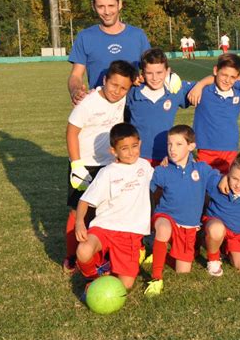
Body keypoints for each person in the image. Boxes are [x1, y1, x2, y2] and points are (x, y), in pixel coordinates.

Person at [63, 60, 137, 274]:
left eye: (124, 88)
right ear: (104, 80)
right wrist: (76, 164)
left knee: (101, 210)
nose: (117, 91)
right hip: (84, 164)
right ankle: (71, 256)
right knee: (78, 211)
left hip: (109, 165)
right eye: (114, 85)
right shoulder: (88, 103)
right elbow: (71, 132)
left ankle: (97, 255)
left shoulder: (122, 100)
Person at [75, 123, 154, 294]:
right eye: (124, 148)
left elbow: (161, 182)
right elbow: (84, 201)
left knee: (124, 286)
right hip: (104, 227)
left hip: (130, 233)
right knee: (83, 251)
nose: (131, 152)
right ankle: (94, 277)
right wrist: (80, 222)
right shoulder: (107, 172)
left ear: (139, 144)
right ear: (114, 151)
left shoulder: (145, 167)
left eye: (134, 146)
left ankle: (108, 265)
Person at [145, 125, 218, 297]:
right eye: (170, 144)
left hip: (189, 226)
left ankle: (160, 251)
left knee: (183, 271)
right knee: (163, 228)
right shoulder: (162, 170)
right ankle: (156, 278)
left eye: (178, 144)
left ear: (191, 146)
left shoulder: (201, 169)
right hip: (166, 217)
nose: (172, 149)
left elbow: (217, 180)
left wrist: (224, 182)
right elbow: (145, 191)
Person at [68, 0, 151, 105]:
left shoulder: (138, 35)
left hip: (134, 109)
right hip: (99, 109)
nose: (107, 12)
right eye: (101, 6)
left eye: (111, 6)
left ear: (120, 4)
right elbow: (75, 75)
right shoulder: (85, 37)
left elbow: (151, 70)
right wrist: (75, 91)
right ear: (93, 7)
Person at [126, 48, 194, 167]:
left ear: (168, 71)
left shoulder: (175, 90)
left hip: (166, 158)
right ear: (142, 74)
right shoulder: (132, 92)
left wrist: (200, 86)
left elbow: (210, 86)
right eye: (149, 73)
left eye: (159, 72)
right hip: (138, 158)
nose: (154, 78)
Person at [193, 53, 240, 174]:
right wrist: (200, 84)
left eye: (232, 77)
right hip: (206, 150)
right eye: (224, 75)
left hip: (230, 151)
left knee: (227, 186)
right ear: (216, 70)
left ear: (238, 77)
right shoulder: (203, 90)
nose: (227, 80)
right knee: (204, 187)